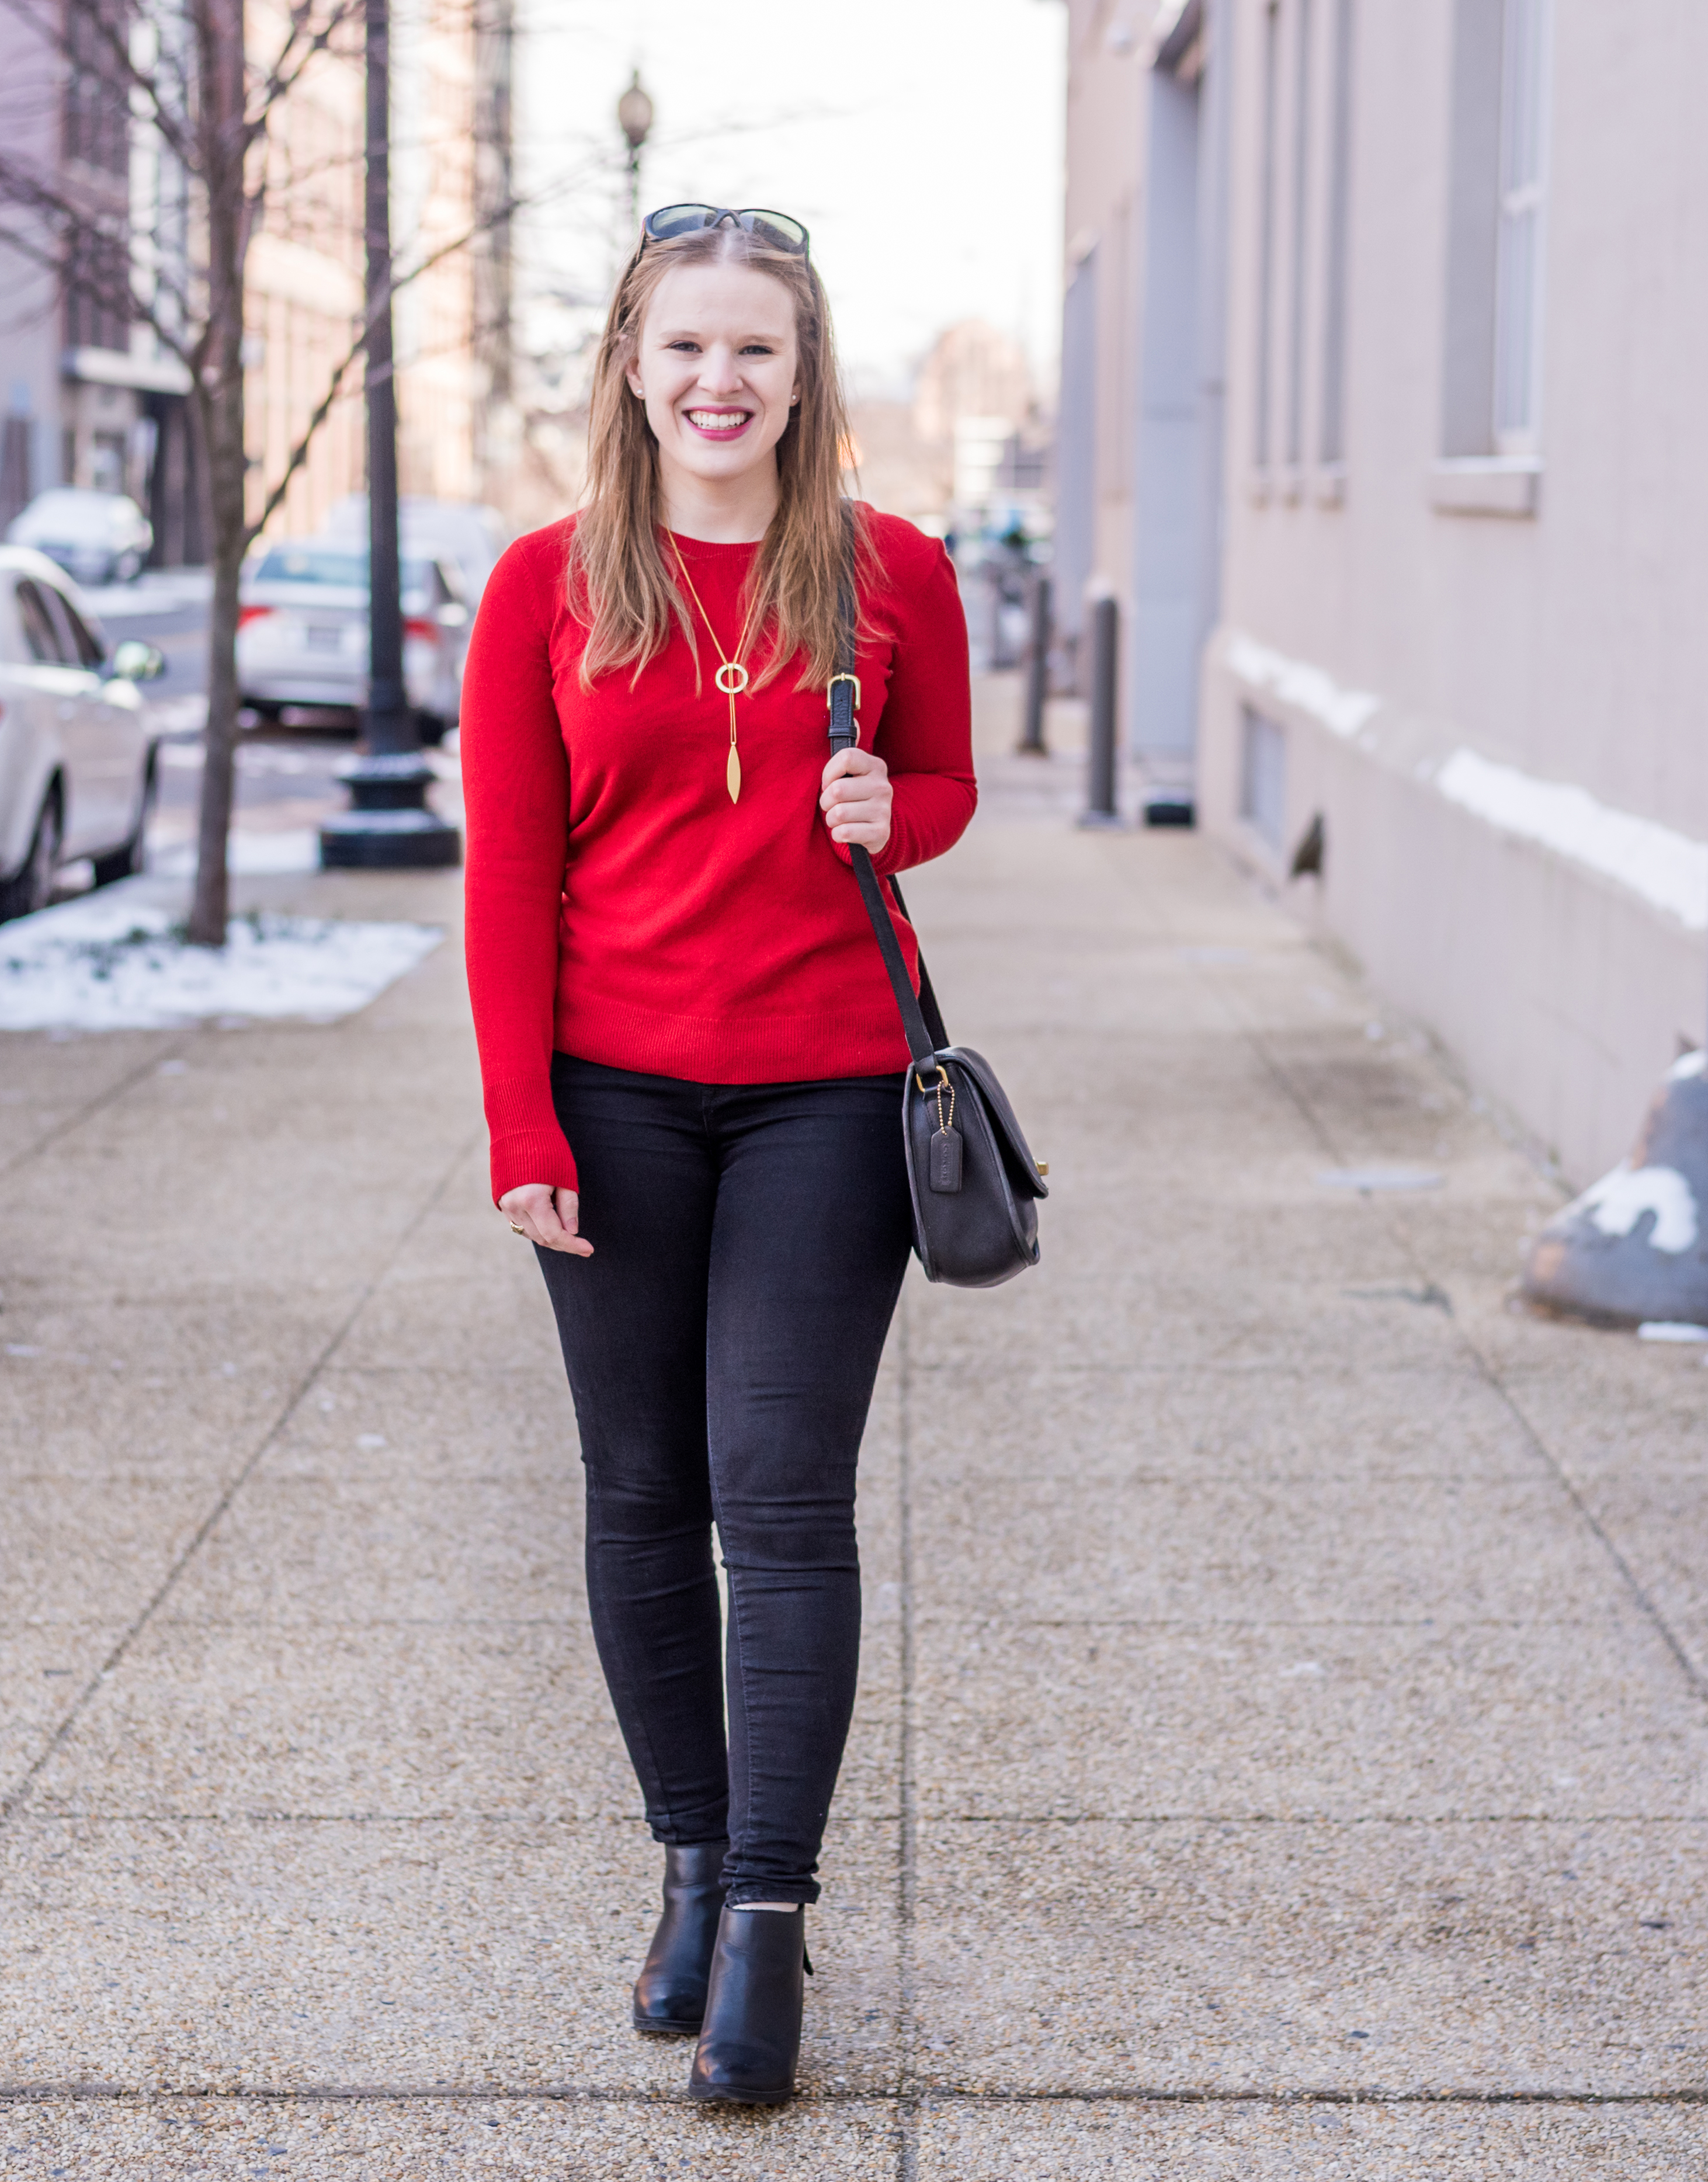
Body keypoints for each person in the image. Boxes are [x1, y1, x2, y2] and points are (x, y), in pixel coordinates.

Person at [460, 205, 977, 2107]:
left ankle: (767, 1909)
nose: (716, 381)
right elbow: (509, 874)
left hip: (826, 1096)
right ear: (627, 361)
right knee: (634, 1491)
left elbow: (946, 786)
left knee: (778, 1496)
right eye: (683, 345)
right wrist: (521, 1117)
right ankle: (684, 1850)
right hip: (606, 1093)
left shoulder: (891, 569)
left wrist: (888, 805)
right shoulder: (543, 588)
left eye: (752, 347)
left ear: (802, 365)